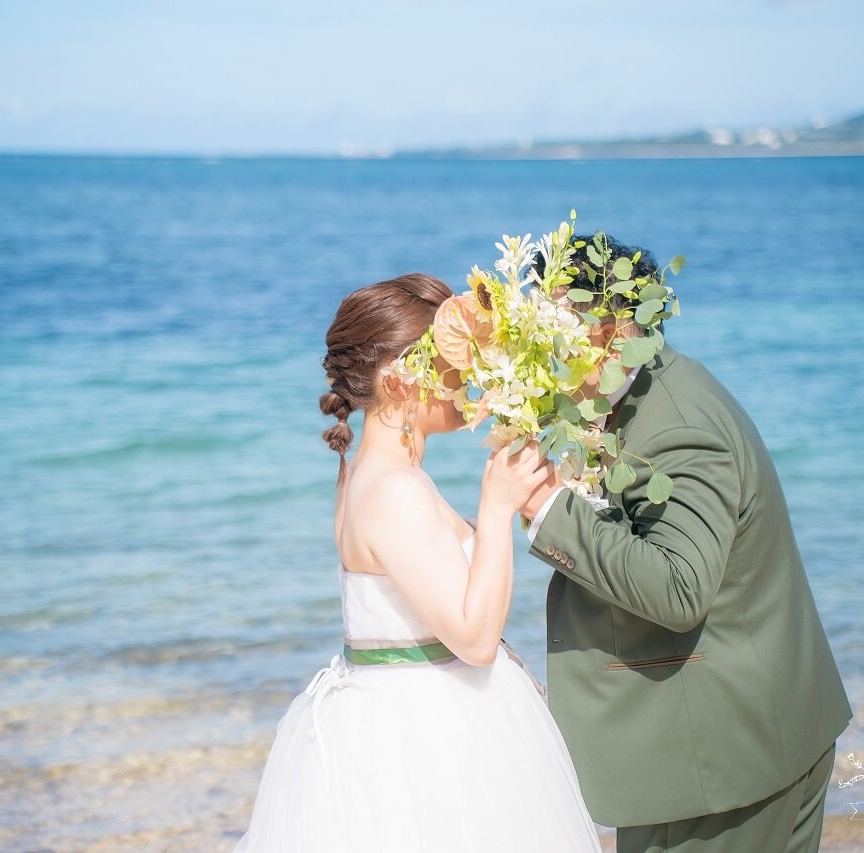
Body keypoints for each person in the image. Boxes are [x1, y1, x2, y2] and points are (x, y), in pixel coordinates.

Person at [491, 234, 854, 853]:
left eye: (556, 330)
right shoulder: (635, 392)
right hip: (741, 746)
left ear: (612, 328)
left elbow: (679, 588)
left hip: (724, 764)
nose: (544, 350)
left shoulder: (676, 428)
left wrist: (549, 508)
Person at [234, 273, 601, 852]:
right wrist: (497, 506)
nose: (471, 376)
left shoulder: (377, 476)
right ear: (402, 377)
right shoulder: (392, 490)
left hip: (415, 714)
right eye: (456, 360)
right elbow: (476, 641)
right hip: (424, 739)